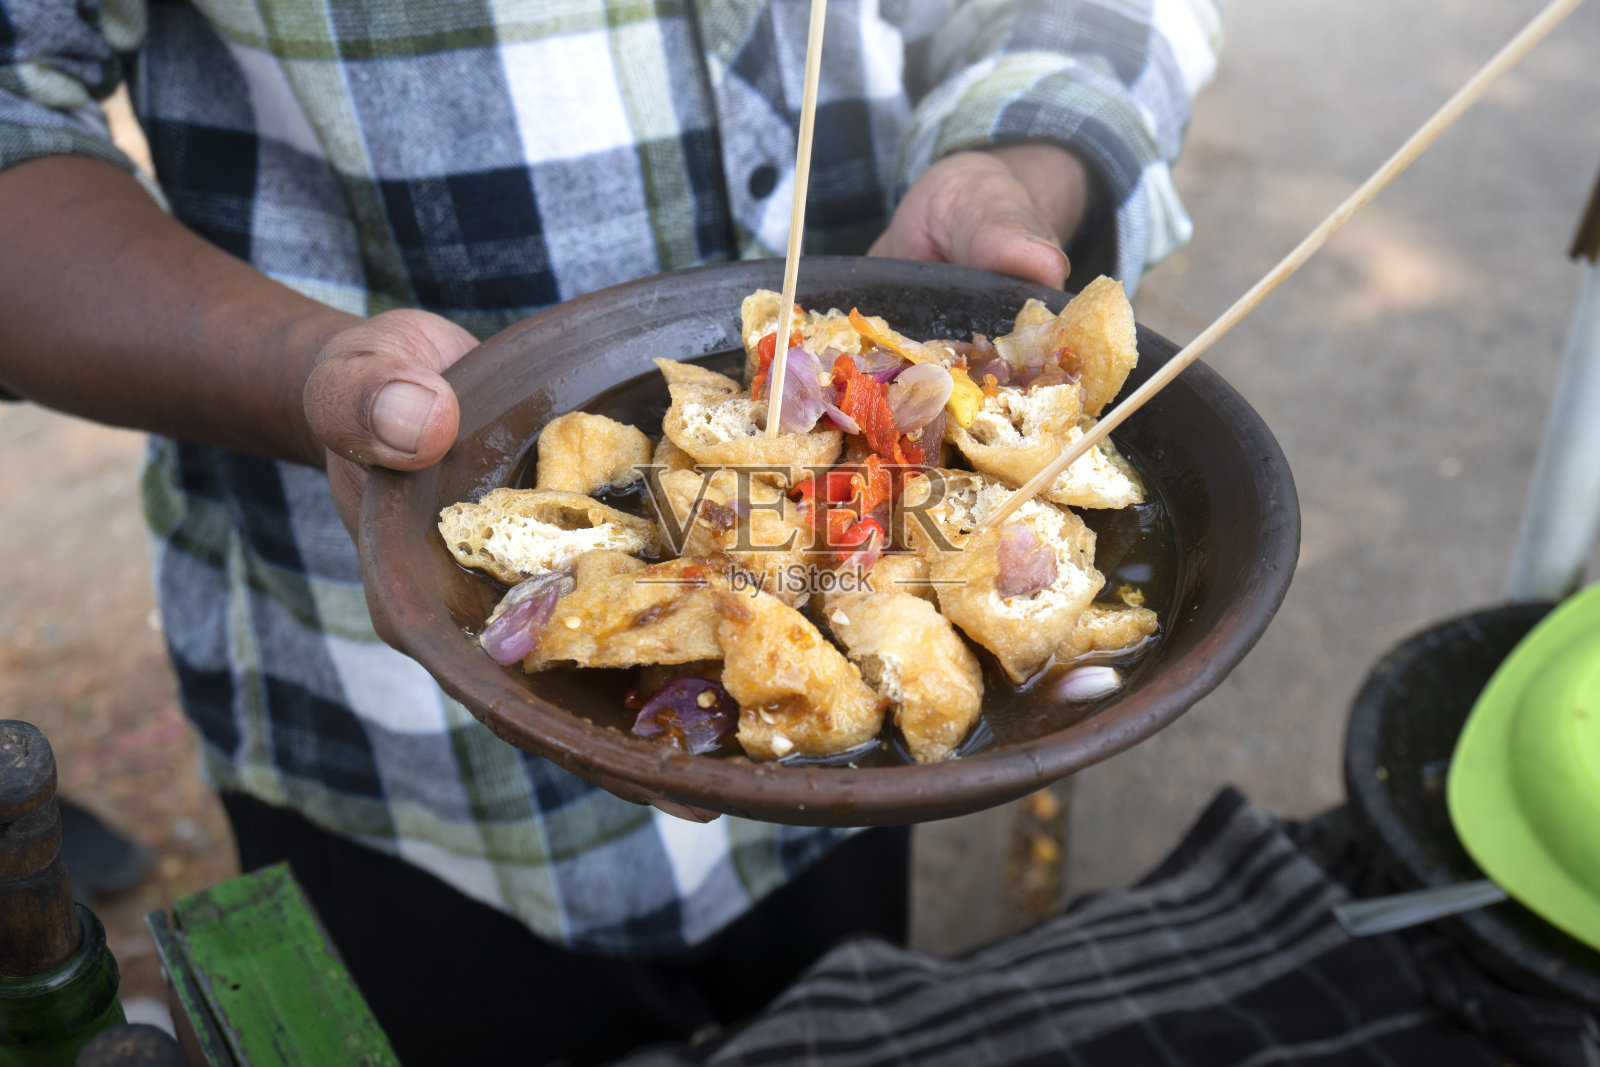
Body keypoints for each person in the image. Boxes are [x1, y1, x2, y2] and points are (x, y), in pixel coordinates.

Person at [0, 1, 1220, 1061]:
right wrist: (302, 370)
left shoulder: (887, 606)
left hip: (838, 814)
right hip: (394, 757)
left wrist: (1021, 153)